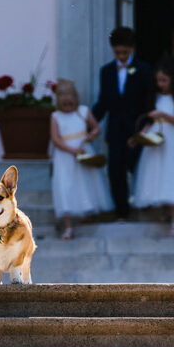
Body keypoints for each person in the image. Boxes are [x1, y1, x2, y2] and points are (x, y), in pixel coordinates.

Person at [91, 27, 154, 221]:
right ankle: (122, 211)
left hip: (136, 128)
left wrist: (145, 127)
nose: (122, 56)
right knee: (115, 170)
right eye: (118, 52)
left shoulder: (144, 70)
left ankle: (147, 207)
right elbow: (104, 101)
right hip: (116, 129)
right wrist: (88, 121)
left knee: (140, 167)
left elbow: (148, 102)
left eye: (125, 52)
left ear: (132, 49)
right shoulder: (107, 71)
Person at [132, 58, 174, 237]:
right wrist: (140, 136)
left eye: (164, 80)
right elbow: (152, 121)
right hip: (158, 138)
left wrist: (163, 114)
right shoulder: (158, 96)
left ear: (173, 79)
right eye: (158, 80)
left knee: (172, 176)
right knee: (159, 175)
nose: (160, 84)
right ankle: (166, 212)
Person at [48, 79, 114, 240]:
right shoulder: (55, 116)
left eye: (70, 96)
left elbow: (96, 127)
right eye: (63, 97)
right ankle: (68, 226)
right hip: (65, 157)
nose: (67, 100)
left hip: (84, 153)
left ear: (75, 97)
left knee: (86, 183)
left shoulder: (83, 111)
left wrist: (91, 135)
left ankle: (88, 214)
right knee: (66, 187)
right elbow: (56, 139)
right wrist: (72, 150)